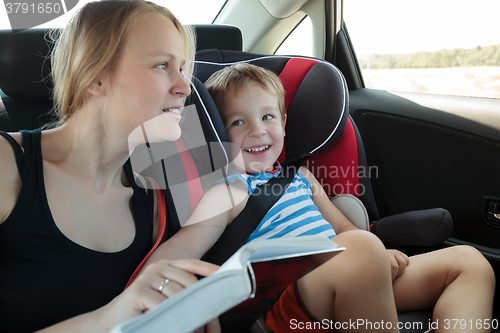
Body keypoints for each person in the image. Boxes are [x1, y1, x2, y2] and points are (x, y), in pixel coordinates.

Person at [144, 63, 495, 332]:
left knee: (469, 262)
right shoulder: (232, 189)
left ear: (283, 122)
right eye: (237, 122)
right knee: (361, 251)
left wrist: (378, 254)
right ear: (219, 136)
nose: (257, 130)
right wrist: (144, 289)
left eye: (267, 116)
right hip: (287, 300)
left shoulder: (301, 178)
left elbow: (345, 229)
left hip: (352, 277)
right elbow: (185, 246)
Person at [0, 1, 220, 332]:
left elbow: (228, 199)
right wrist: (112, 316)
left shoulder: (154, 198)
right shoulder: (7, 166)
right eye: (162, 65)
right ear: (96, 75)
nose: (184, 87)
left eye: (182, 68)